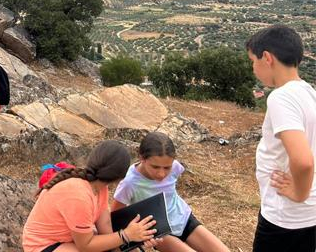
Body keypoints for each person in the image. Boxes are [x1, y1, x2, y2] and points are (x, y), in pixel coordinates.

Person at [246, 25, 316, 252]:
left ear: (267, 58)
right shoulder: (308, 92)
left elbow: (304, 160)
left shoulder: (281, 97)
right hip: (308, 213)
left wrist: (299, 192)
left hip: (284, 216)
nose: (253, 68)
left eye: (253, 61)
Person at [22, 140, 160, 252]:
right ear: (120, 177)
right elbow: (86, 245)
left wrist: (135, 243)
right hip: (42, 245)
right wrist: (126, 235)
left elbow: (106, 230)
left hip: (68, 240)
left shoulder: (100, 188)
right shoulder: (78, 195)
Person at [112, 132, 229, 251]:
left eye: (167, 167)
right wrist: (135, 239)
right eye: (155, 167)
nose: (162, 174)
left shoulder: (175, 167)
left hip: (183, 219)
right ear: (142, 158)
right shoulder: (129, 183)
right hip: (159, 231)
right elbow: (115, 217)